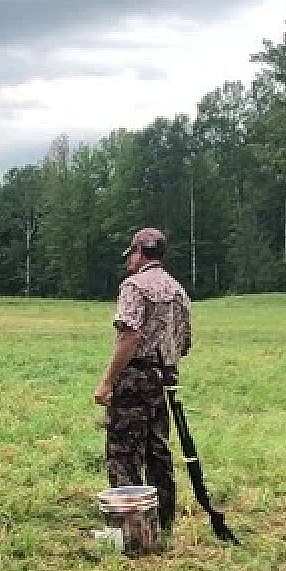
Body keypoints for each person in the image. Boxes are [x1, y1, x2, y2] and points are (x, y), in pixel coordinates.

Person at [93, 227, 191, 531]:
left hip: (134, 378)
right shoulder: (177, 290)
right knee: (157, 450)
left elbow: (129, 335)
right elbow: (185, 341)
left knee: (123, 450)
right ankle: (162, 522)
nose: (128, 262)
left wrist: (108, 381)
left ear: (139, 252)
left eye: (129, 255)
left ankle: (129, 525)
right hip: (162, 381)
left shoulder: (133, 287)